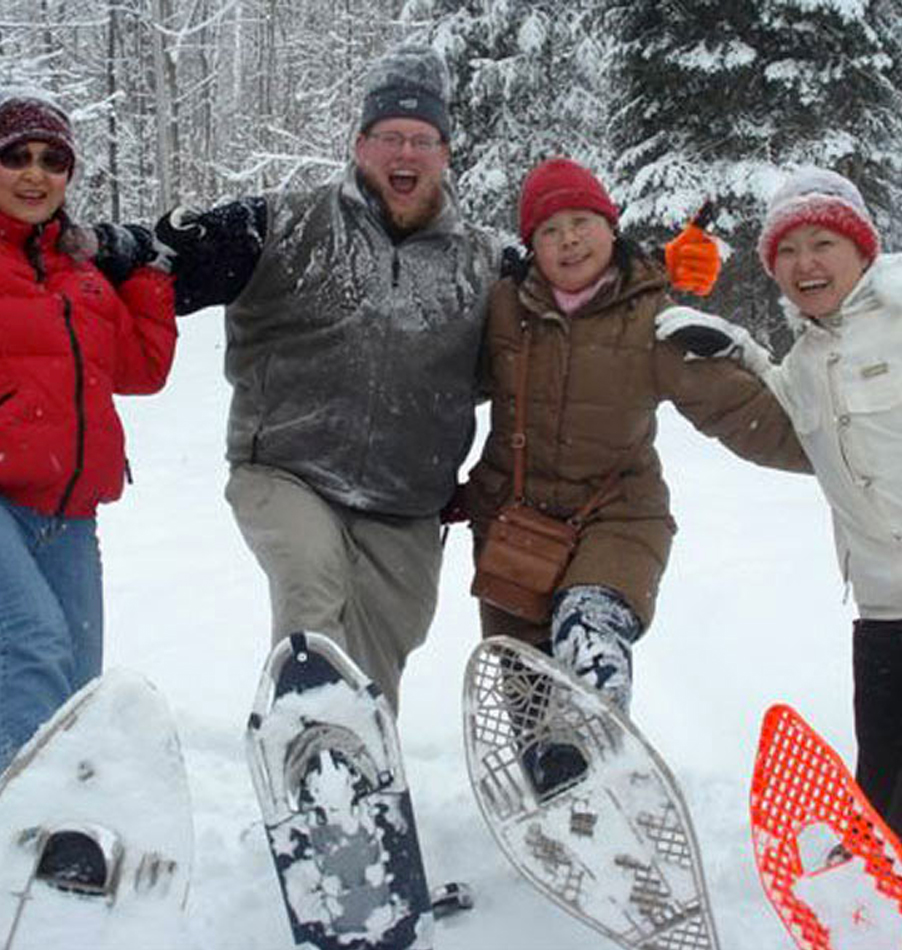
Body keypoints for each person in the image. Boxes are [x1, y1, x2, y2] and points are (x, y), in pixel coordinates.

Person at [464, 157, 811, 765]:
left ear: (611, 226)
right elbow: (430, 382)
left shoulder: (654, 321)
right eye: (549, 230)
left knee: (589, 630)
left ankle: (602, 746)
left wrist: (848, 454)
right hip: (512, 530)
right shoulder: (500, 311)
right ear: (530, 247)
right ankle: (562, 803)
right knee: (530, 702)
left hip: (618, 519)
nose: (568, 239)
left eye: (582, 221)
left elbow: (741, 413)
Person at [657, 166, 902, 838]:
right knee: (880, 785)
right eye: (787, 252)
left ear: (861, 250)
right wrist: (737, 347)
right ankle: (871, 899)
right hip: (882, 605)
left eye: (823, 243)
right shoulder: (804, 360)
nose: (805, 264)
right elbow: (788, 401)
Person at [0, 96, 177, 773]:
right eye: (16, 156)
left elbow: (140, 371)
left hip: (69, 514)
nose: (34, 174)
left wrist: (148, 272)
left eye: (53, 160)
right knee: (32, 644)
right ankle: (21, 828)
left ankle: (58, 823)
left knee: (77, 683)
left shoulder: (82, 274)